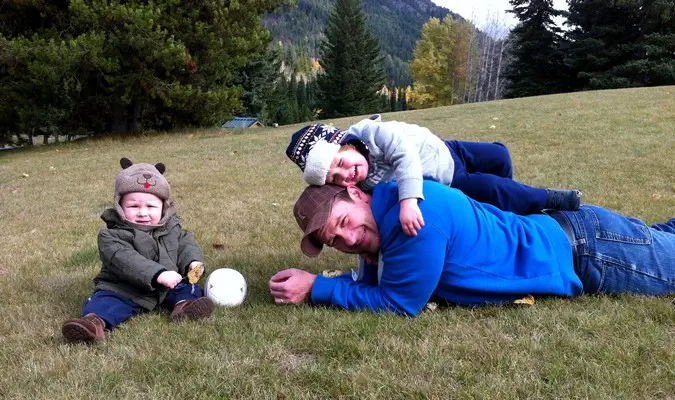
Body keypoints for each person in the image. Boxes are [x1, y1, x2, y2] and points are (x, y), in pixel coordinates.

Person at [269, 181, 674, 316]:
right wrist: (371, 258)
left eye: (344, 224)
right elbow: (379, 272)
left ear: (357, 192)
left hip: (588, 252)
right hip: (576, 235)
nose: (349, 240)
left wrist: (315, 287)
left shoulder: (414, 220)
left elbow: (399, 303)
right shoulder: (391, 204)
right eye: (334, 241)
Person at [285, 115, 582, 236]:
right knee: (494, 190)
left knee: (499, 156)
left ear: (345, 143)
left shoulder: (370, 132)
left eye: (340, 162)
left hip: (447, 151)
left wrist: (408, 200)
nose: (345, 174)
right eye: (335, 179)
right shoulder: (364, 184)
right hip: (450, 181)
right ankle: (545, 199)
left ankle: (508, 204)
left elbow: (404, 153)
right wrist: (409, 202)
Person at [62, 158, 214, 343]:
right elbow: (127, 260)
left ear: (163, 207)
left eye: (150, 206)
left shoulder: (171, 228)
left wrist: (193, 262)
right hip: (124, 287)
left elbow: (185, 244)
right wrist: (158, 274)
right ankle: (93, 324)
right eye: (134, 206)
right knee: (106, 301)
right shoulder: (111, 235)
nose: (142, 212)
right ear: (120, 206)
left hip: (168, 286)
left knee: (187, 288)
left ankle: (184, 307)